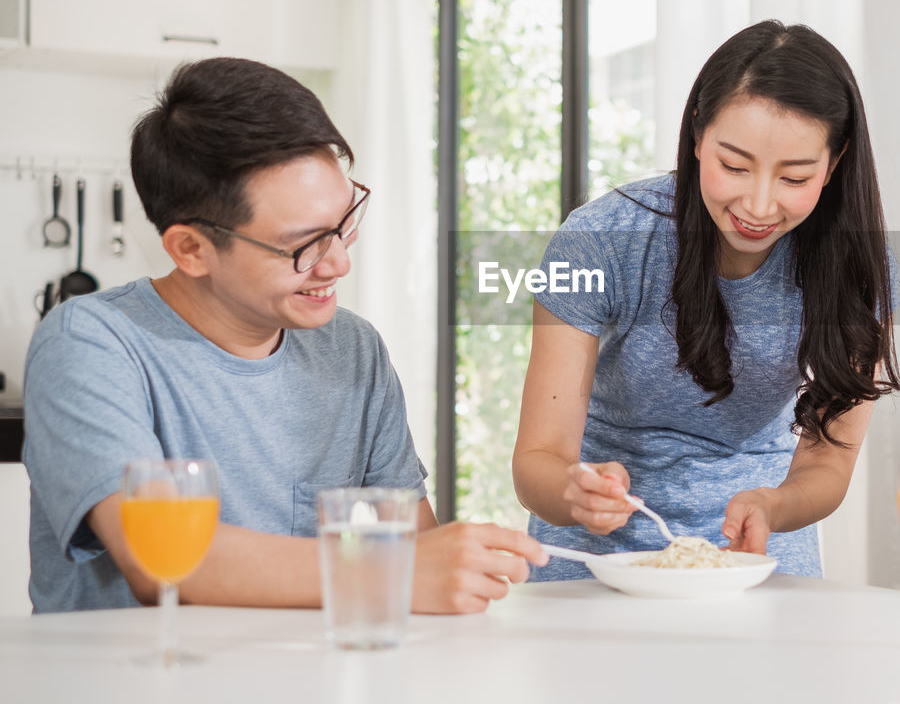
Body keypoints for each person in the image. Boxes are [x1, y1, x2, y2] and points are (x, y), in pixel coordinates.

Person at [23, 57, 546, 614]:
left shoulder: (352, 349)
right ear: (190, 250)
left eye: (345, 223)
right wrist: (389, 568)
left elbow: (415, 550)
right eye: (304, 245)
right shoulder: (90, 344)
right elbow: (156, 562)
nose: (339, 263)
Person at [513, 20, 900, 579]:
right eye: (734, 166)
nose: (760, 205)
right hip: (598, 562)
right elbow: (537, 460)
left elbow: (828, 462)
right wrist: (575, 492)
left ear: (834, 164)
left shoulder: (857, 269)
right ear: (697, 137)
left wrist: (774, 504)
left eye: (794, 177)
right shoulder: (599, 241)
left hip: (756, 556)